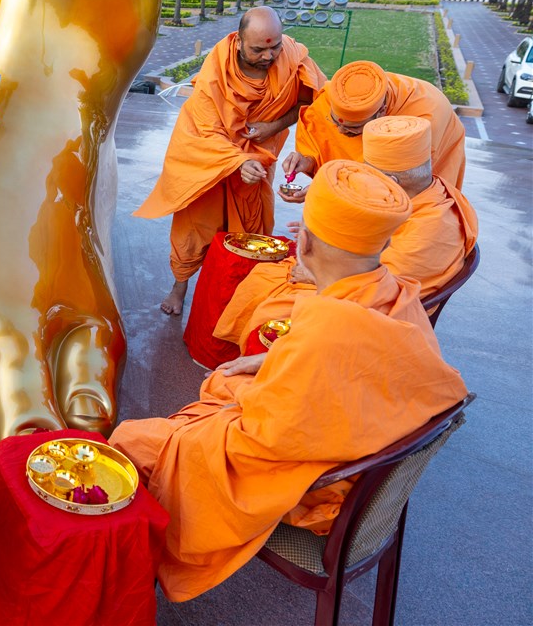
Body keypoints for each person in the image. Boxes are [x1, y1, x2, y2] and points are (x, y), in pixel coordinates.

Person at [111, 159, 468, 602]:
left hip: (318, 494)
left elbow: (258, 444)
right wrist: (277, 362)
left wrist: (223, 401)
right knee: (222, 388)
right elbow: (355, 374)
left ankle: (125, 582)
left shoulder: (325, 329)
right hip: (363, 469)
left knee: (133, 443)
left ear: (306, 246)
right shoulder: (399, 295)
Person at [215, 115, 479, 352]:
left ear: (393, 182)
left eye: (370, 173)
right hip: (366, 280)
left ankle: (259, 370)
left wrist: (318, 274)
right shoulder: (431, 188)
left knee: (269, 296)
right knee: (266, 273)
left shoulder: (428, 230)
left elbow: (383, 287)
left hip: (373, 309)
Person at [134, 7, 327, 315]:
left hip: (258, 152)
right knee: (196, 222)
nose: (268, 56)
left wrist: (273, 126)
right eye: (258, 49)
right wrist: (236, 161)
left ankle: (239, 288)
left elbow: (313, 101)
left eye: (274, 46)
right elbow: (207, 129)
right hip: (208, 154)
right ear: (238, 41)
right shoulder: (217, 69)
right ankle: (179, 286)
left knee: (251, 221)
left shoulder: (290, 56)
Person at [280, 59, 466, 200]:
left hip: (422, 177)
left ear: (382, 112)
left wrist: (330, 188)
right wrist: (309, 160)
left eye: (353, 129)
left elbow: (396, 181)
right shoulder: (337, 94)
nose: (341, 132)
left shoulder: (422, 119)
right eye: (335, 121)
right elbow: (321, 133)